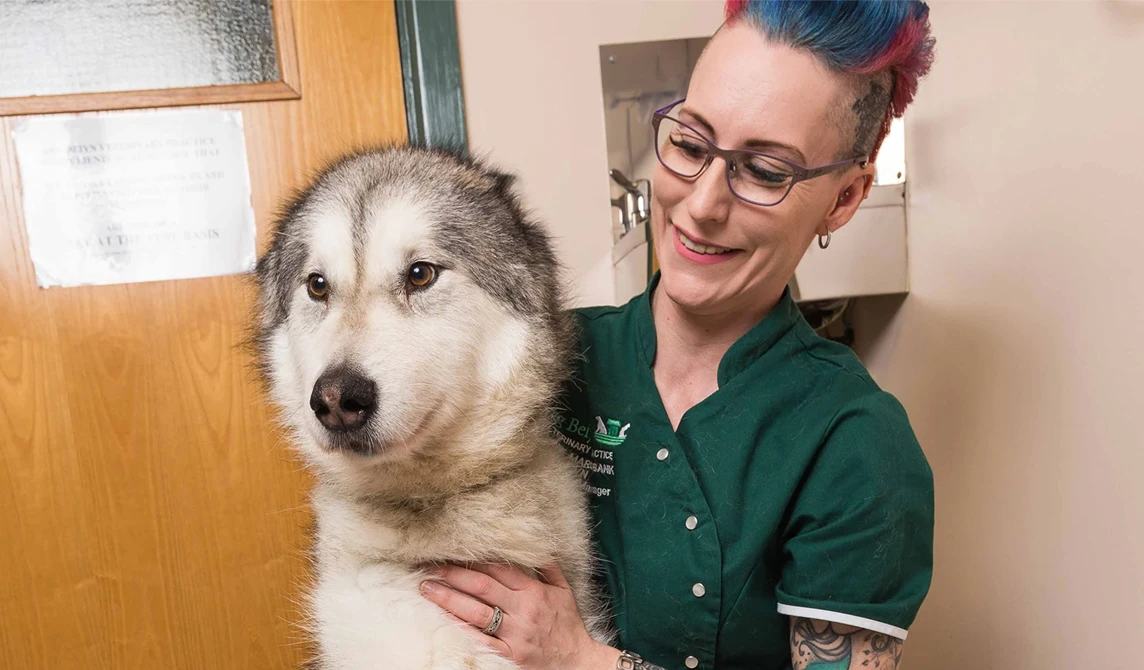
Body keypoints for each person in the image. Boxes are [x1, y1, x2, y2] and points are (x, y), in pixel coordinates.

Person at [420, 1, 937, 668]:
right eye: (690, 145)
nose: (701, 204)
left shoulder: (855, 443)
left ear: (844, 198)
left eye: (765, 172)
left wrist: (581, 661)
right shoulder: (543, 361)